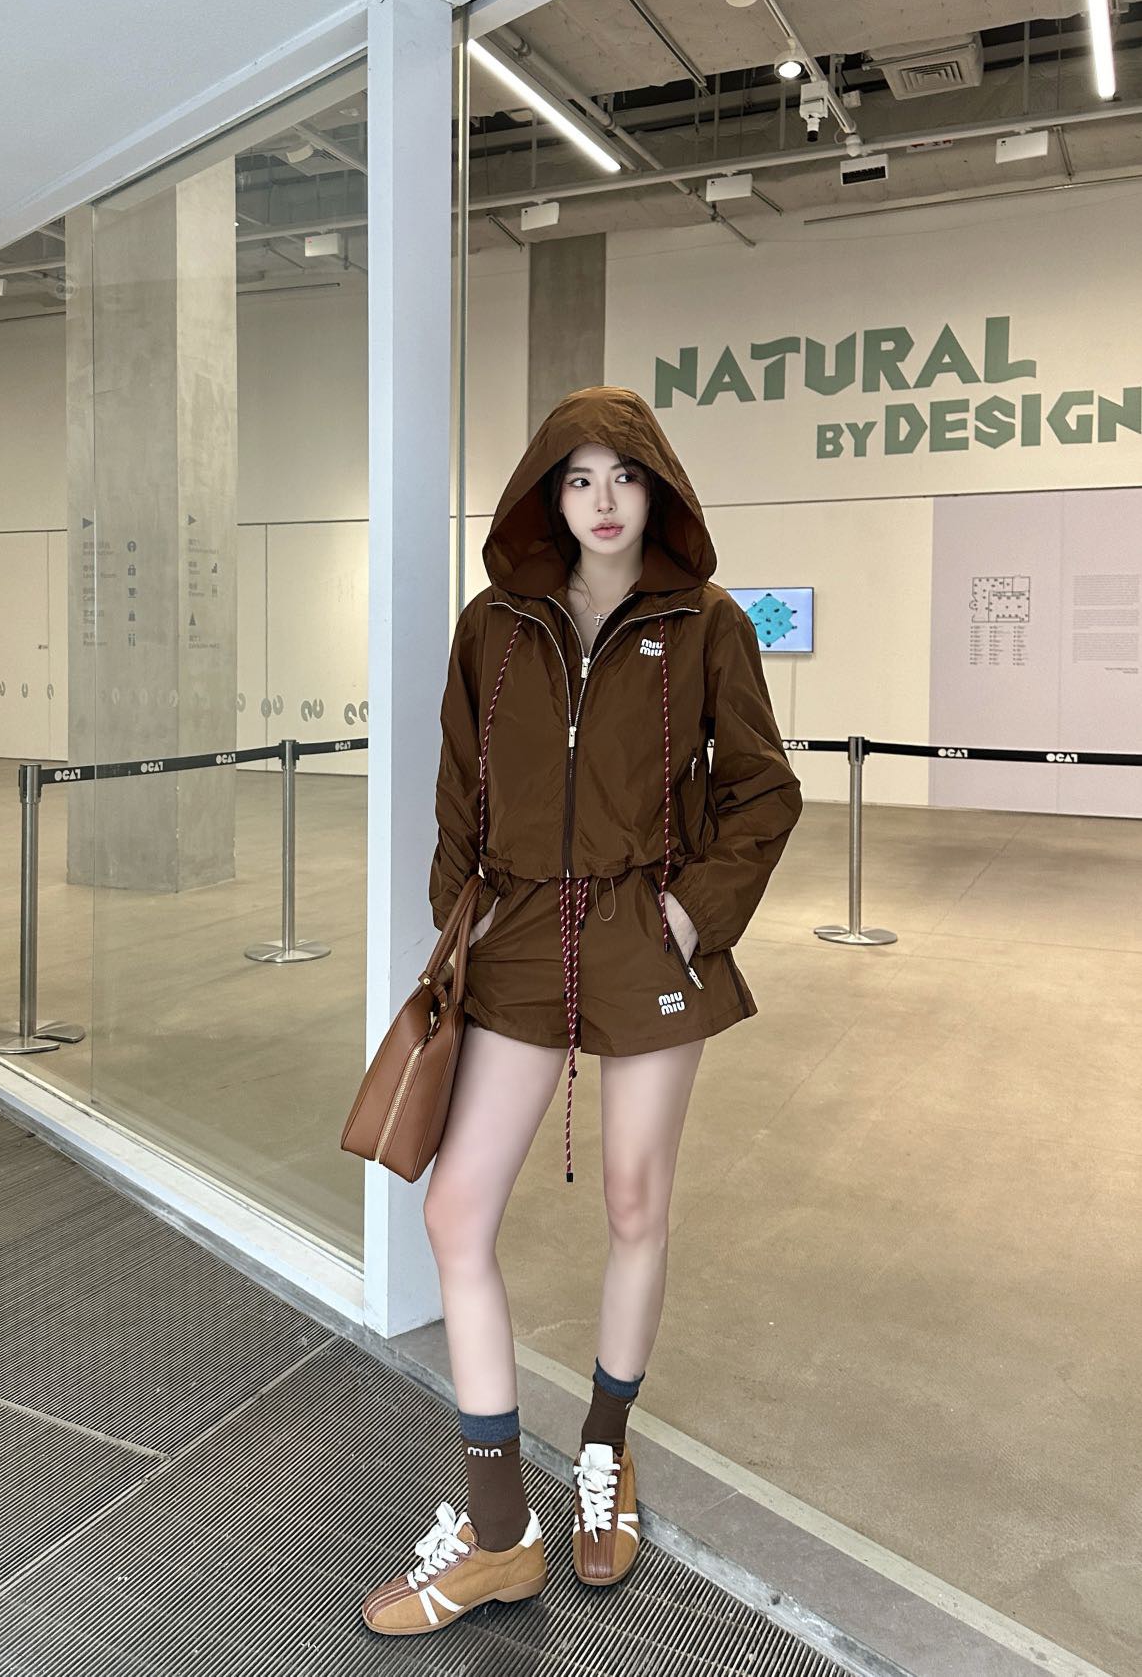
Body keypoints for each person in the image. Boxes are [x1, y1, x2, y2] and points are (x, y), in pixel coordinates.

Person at [361, 385, 803, 1635]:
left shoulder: (705, 623)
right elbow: (457, 787)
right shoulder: (492, 626)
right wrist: (461, 916)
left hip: (640, 935)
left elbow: (761, 789)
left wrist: (690, 917)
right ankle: (500, 1532)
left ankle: (605, 1450)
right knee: (454, 1210)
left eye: (622, 475)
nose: (601, 501)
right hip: (512, 939)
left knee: (631, 1201)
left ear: (654, 486)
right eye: (576, 478)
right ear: (545, 496)